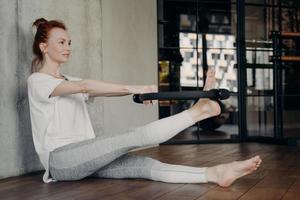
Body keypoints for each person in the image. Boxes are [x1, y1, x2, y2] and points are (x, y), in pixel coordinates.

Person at [27, 18, 262, 187]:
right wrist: (134, 88)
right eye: (61, 42)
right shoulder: (37, 81)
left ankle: (214, 173)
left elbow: (100, 91)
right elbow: (85, 87)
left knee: (144, 165)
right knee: (130, 137)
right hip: (61, 161)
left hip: (87, 155)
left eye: (69, 42)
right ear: (43, 47)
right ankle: (198, 112)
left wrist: (140, 93)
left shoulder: (70, 80)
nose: (68, 47)